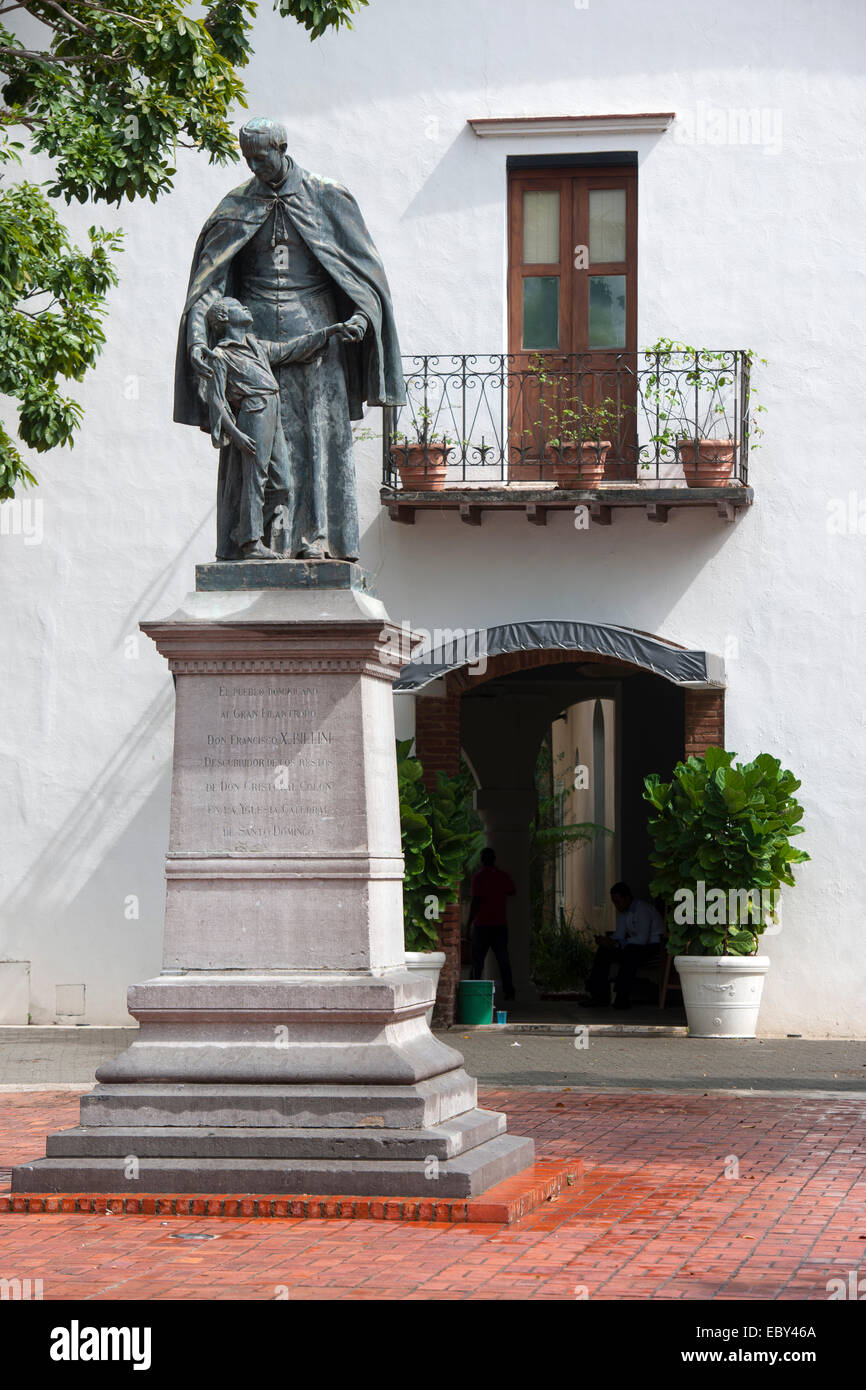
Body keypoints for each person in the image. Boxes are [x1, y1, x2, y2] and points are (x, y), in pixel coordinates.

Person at [174, 116, 405, 561]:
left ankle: (318, 539)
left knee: (317, 437)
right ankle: (253, 543)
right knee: (256, 447)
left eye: (261, 156)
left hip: (318, 337)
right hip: (250, 344)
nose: (255, 166)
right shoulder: (235, 207)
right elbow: (209, 286)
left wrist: (361, 314)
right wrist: (198, 342)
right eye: (248, 158)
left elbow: (364, 273)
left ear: (282, 147)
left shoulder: (327, 198)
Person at [203, 297, 349, 559]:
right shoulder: (221, 355)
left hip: (272, 410)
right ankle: (251, 542)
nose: (246, 307)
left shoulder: (256, 347)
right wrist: (236, 434)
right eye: (238, 305)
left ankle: (243, 529)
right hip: (253, 412)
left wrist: (330, 331)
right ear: (225, 318)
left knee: (282, 483)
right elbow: (216, 401)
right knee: (254, 479)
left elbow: (292, 349)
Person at [582, 881, 664, 1010]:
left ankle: (622, 997)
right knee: (604, 951)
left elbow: (642, 939)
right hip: (635, 946)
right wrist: (607, 941)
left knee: (631, 952)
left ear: (627, 898)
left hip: (654, 946)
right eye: (614, 902)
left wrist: (617, 943)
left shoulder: (643, 910)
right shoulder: (623, 912)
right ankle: (598, 996)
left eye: (618, 901)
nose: (616, 905)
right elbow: (620, 934)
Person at [467, 847, 516, 1002]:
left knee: (477, 961)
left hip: (482, 925)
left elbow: (475, 902)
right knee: (503, 960)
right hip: (500, 925)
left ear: (482, 860)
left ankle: (472, 991)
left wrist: (468, 923)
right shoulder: (502, 876)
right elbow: (512, 891)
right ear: (494, 859)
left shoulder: (479, 877)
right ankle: (510, 992)